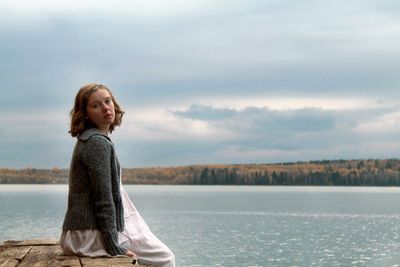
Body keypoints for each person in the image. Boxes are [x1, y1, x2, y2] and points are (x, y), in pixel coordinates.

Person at [61, 83, 175, 267]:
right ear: (86, 113)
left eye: (108, 101)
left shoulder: (91, 140)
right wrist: (113, 246)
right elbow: (104, 199)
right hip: (91, 235)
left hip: (82, 232)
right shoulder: (97, 143)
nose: (106, 107)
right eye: (96, 105)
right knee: (165, 259)